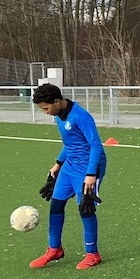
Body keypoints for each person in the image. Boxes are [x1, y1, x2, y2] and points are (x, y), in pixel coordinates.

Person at [29, 83, 108, 269]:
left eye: (46, 108)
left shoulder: (80, 116)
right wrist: (58, 164)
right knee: (56, 205)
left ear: (57, 102)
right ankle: (54, 249)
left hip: (88, 166)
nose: (45, 112)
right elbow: (70, 143)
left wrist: (91, 175)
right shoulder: (59, 116)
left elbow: (95, 145)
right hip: (70, 165)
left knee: (85, 209)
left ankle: (93, 254)